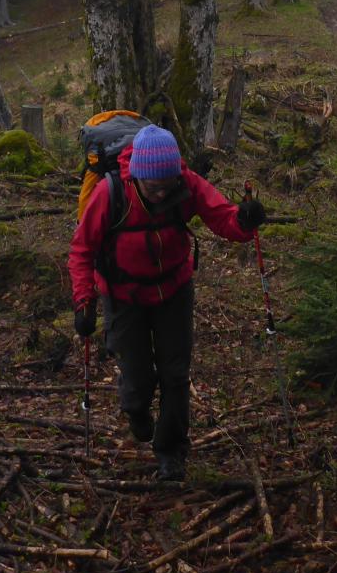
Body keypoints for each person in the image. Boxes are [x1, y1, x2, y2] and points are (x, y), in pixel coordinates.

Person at [69, 124, 265, 481]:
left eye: (167, 185)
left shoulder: (185, 183)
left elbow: (222, 218)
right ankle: (136, 411)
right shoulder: (111, 193)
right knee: (138, 377)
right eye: (152, 186)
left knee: (176, 374)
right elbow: (82, 249)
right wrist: (84, 302)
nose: (161, 193)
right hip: (124, 296)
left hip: (174, 290)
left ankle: (171, 450)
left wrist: (245, 220)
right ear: (137, 176)